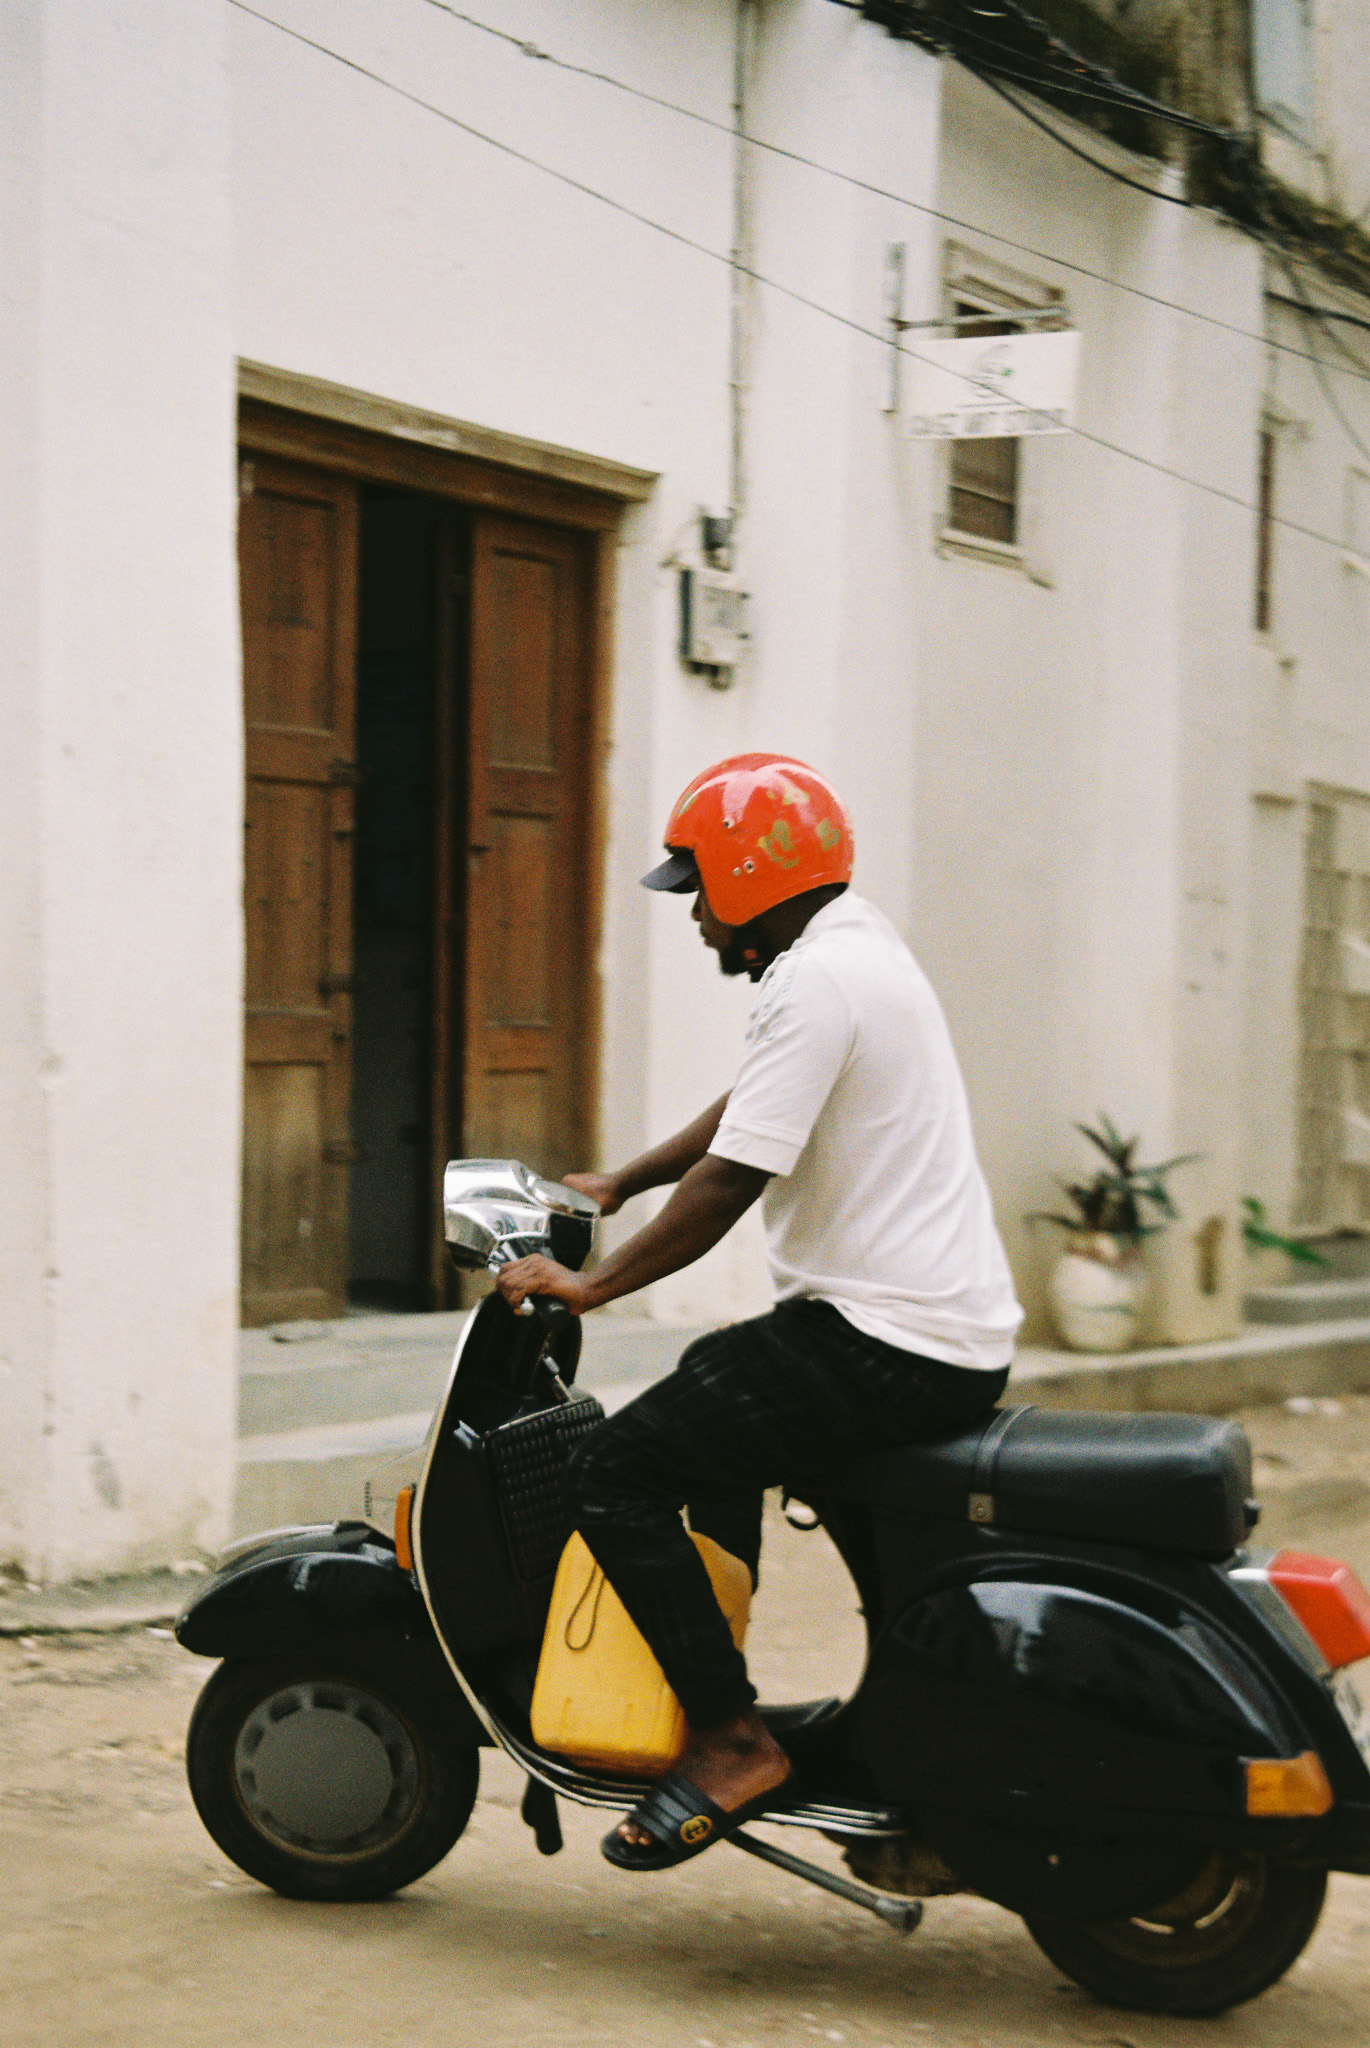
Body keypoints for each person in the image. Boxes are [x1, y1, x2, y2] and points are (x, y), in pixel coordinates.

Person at [494, 752, 1023, 1870]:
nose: (693, 923)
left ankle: (731, 1738)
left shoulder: (814, 977)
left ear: (743, 880)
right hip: (933, 1333)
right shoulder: (855, 947)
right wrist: (619, 1179)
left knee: (618, 1469)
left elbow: (733, 1176)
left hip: (883, 1339)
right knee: (712, 1412)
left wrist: (589, 1284)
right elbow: (758, 1101)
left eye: (695, 893)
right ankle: (763, 1721)